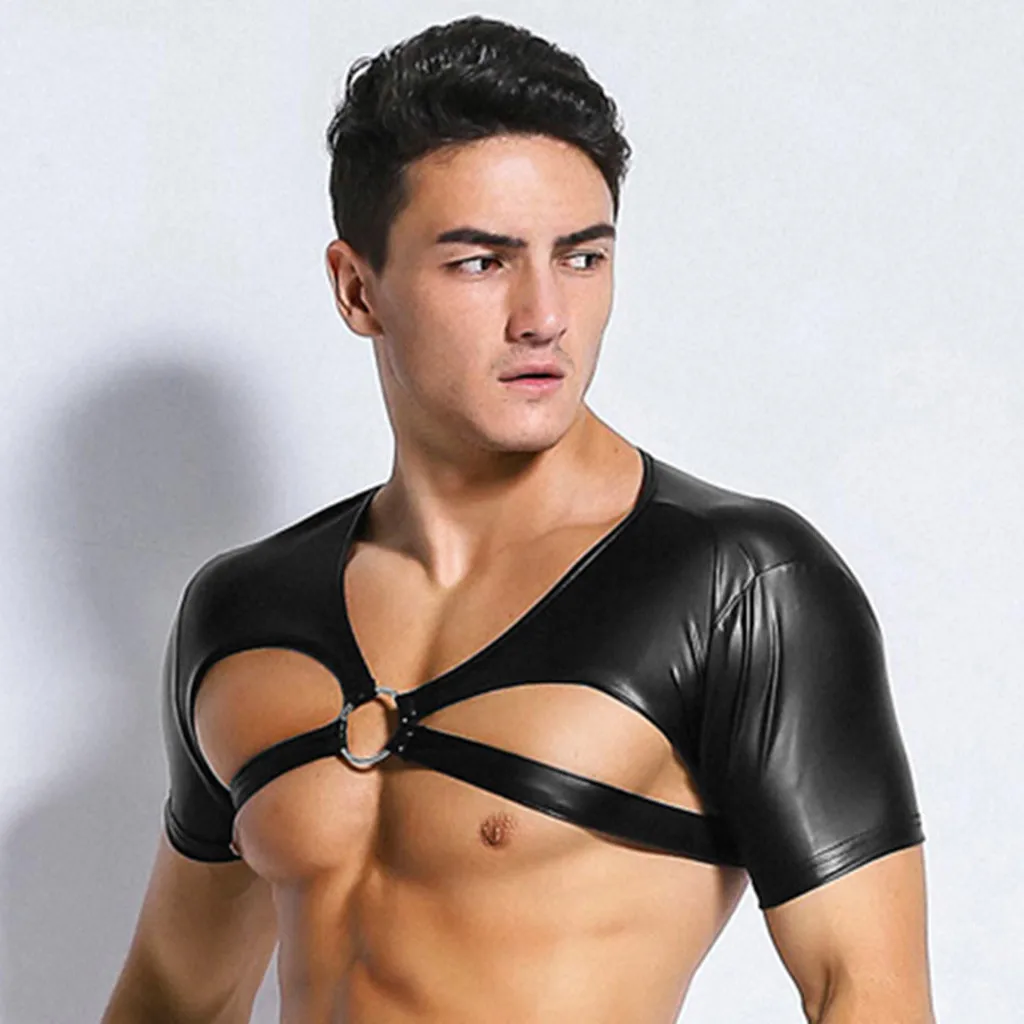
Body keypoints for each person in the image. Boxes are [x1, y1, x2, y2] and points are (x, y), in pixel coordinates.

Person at [103, 15, 934, 1024]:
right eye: (480, 262)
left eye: (581, 258)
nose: (543, 315)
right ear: (358, 288)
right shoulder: (241, 612)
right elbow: (173, 995)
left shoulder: (738, 585)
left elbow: (866, 992)